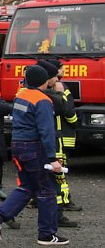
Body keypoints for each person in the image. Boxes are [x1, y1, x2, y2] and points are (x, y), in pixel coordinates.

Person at [0, 65, 68, 246]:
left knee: (27, 187)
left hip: (18, 145)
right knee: (47, 190)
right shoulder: (43, 101)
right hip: (35, 147)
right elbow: (46, 131)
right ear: (45, 81)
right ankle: (46, 234)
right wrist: (53, 158)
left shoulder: (20, 96)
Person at [37, 59, 79, 228]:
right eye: (55, 75)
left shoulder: (29, 93)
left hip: (45, 141)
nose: (57, 79)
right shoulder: (51, 93)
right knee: (56, 177)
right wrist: (60, 93)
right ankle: (58, 213)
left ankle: (4, 214)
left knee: (36, 183)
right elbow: (66, 110)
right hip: (54, 140)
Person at [50, 59, 82, 214]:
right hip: (62, 136)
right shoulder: (61, 88)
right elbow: (69, 112)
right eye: (61, 68)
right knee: (59, 170)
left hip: (56, 136)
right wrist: (75, 122)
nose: (64, 70)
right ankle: (64, 200)